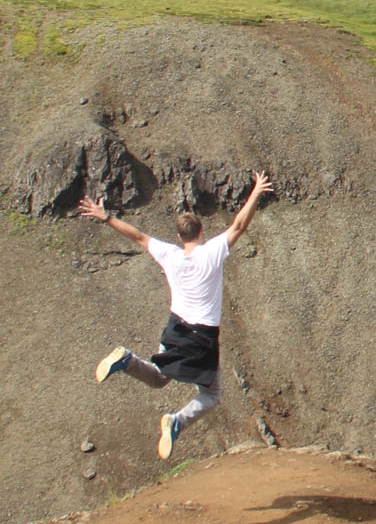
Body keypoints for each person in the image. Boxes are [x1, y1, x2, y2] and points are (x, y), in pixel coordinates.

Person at [81, 172, 274, 459]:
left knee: (159, 378)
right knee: (211, 395)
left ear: (179, 237)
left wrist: (106, 216)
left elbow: (137, 236)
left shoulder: (169, 254)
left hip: (175, 329)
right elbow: (239, 225)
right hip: (202, 337)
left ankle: (127, 360)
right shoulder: (211, 253)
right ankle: (176, 421)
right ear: (202, 231)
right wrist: (256, 191)